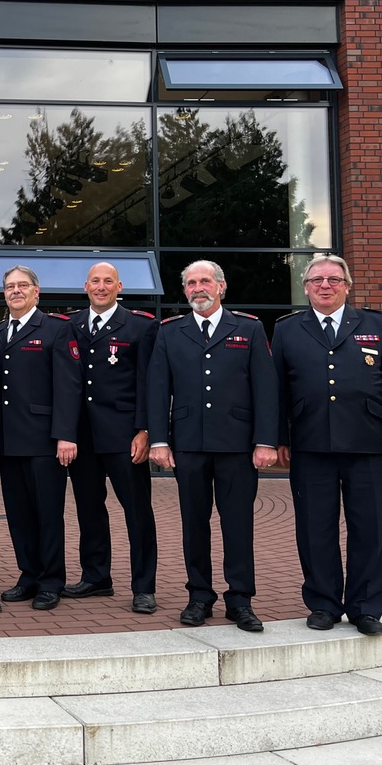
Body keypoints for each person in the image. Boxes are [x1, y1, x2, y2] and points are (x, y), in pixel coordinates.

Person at [272, 255, 382, 636]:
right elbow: (277, 391)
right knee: (314, 528)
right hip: (310, 443)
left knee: (371, 528)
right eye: (317, 279)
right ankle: (323, 604)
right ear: (306, 287)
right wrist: (279, 438)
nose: (325, 285)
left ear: (347, 286)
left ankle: (366, 607)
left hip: (367, 443)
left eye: (334, 279)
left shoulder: (376, 324)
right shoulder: (288, 330)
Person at [148, 260, 279, 632]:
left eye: (205, 281)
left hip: (237, 446)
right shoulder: (171, 332)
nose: (197, 288)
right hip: (188, 444)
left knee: (237, 524)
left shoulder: (249, 329)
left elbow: (266, 390)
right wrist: (159, 440)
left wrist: (265, 441)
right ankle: (199, 596)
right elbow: (158, 389)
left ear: (221, 287)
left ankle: (240, 600)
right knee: (194, 523)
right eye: (190, 283)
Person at [66, 262, 159, 615]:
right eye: (95, 281)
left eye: (108, 281)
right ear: (85, 286)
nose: (101, 287)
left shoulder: (141, 326)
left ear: (119, 286)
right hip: (82, 437)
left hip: (124, 436)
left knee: (137, 512)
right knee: (89, 509)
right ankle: (96, 577)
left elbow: (150, 383)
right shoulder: (71, 325)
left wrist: (145, 431)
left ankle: (144, 587)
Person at [0, 266, 81, 612]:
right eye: (10, 286)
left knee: (47, 514)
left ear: (36, 291)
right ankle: (28, 575)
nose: (15, 291)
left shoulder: (57, 329)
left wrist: (65, 436)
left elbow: (68, 387)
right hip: (9, 441)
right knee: (18, 514)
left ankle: (51, 581)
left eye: (22, 286)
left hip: (45, 441)